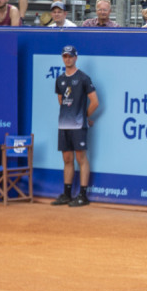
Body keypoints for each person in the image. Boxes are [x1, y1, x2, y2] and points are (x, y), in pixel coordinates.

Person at [52, 46, 99, 208]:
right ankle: (66, 194)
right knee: (67, 159)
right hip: (63, 125)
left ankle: (83, 196)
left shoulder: (84, 78)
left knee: (81, 158)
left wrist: (84, 117)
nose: (68, 59)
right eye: (65, 56)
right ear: (62, 58)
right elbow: (61, 101)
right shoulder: (59, 79)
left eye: (70, 56)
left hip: (78, 126)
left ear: (76, 58)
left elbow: (95, 102)